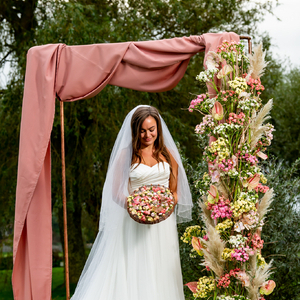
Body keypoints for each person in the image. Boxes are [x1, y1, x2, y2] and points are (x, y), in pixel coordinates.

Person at [70, 105, 193, 300]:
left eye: (151, 130)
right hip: (133, 222)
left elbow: (174, 191)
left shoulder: (168, 155)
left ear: (158, 129)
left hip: (163, 224)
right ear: (135, 131)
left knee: (161, 267)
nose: (147, 135)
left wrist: (167, 206)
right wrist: (134, 206)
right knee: (135, 266)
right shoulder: (125, 155)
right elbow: (116, 191)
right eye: (142, 131)